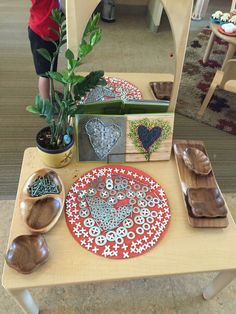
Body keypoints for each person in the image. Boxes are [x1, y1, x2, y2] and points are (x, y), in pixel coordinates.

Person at [28, 0, 62, 100]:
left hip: (44, 29)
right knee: (44, 75)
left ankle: (49, 93)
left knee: (50, 69)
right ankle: (46, 105)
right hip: (42, 34)